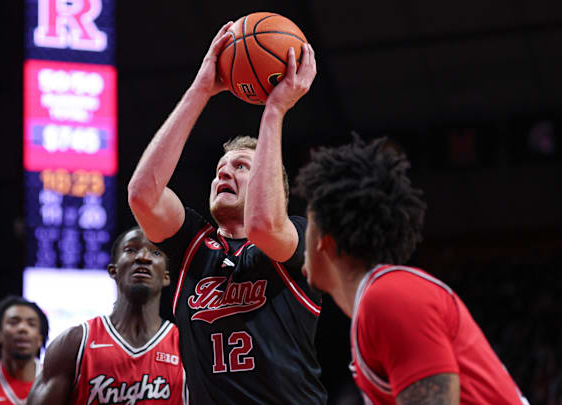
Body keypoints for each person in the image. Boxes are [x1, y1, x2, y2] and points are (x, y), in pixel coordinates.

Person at [127, 22, 327, 404]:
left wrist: (275, 111)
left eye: (241, 166)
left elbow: (264, 224)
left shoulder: (297, 236)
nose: (224, 171)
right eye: (221, 167)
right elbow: (142, 195)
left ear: (272, 186)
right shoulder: (194, 246)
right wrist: (200, 90)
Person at [294, 136, 529, 404]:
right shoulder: (377, 302)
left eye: (308, 224)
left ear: (327, 240)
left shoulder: (389, 296)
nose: (303, 237)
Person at [26, 227, 186, 405]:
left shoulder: (187, 347)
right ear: (113, 270)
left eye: (155, 252)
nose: (143, 257)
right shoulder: (74, 343)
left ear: (166, 277)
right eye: (131, 250)